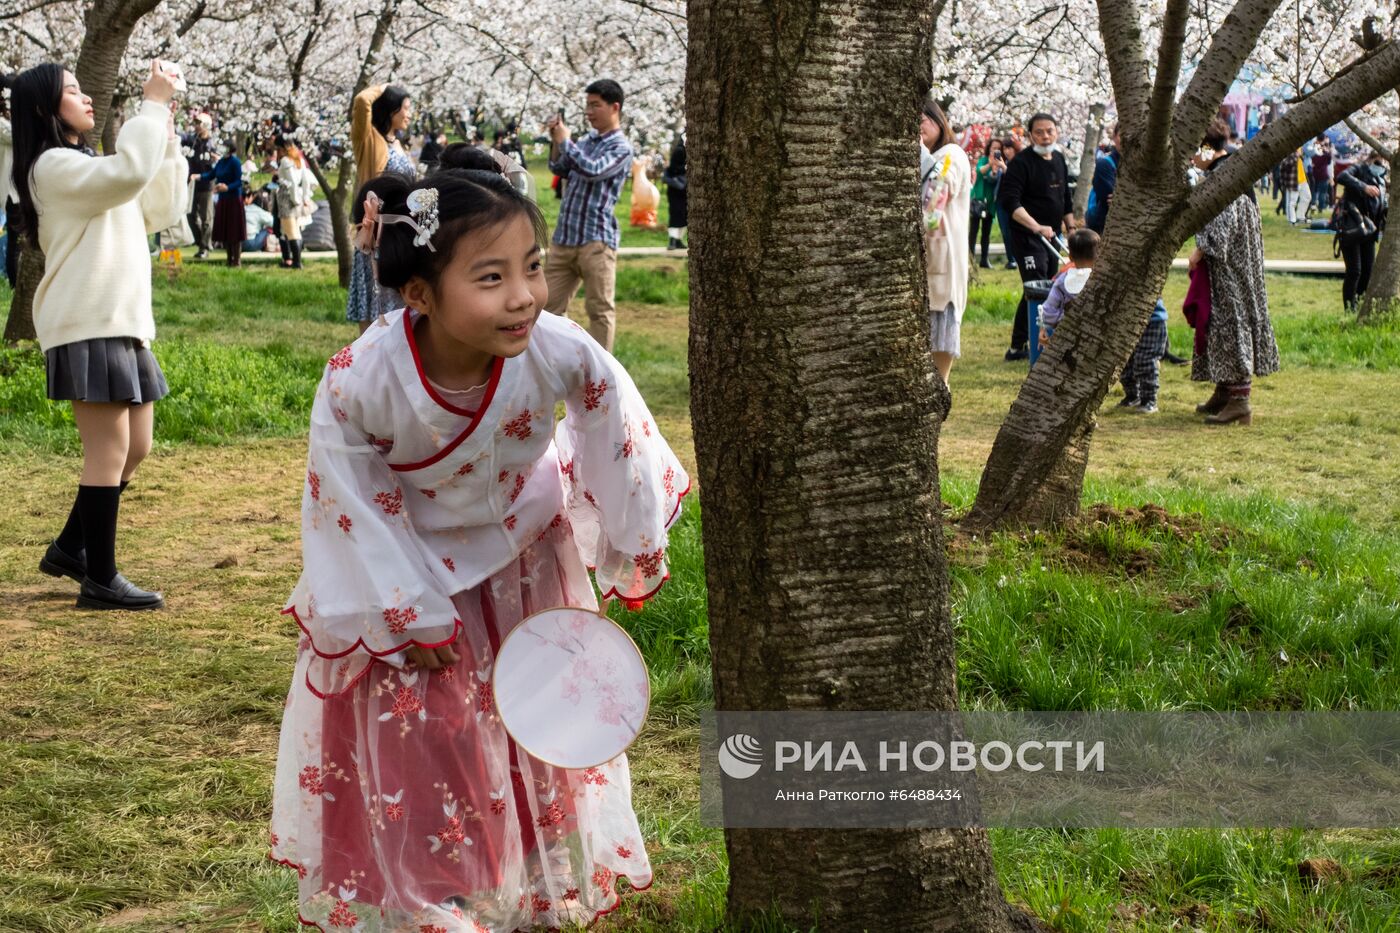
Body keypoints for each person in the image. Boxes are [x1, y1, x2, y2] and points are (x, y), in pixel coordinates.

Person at [268, 168, 688, 930]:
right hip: (413, 573)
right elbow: (349, 498)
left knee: (534, 721)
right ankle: (434, 899)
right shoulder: (361, 380)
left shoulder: (559, 349)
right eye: (491, 277)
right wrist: (408, 610)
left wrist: (629, 534)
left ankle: (525, 882)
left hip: (527, 561)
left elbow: (610, 420)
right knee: (425, 737)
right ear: (421, 294)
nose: (525, 294)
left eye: (532, 266)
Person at [7, 61, 185, 609]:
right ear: (43, 108)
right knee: (109, 451)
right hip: (87, 323)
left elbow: (157, 206)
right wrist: (151, 105)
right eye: (73, 91)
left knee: (137, 447)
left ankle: (69, 547)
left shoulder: (87, 166)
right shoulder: (51, 168)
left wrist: (167, 133)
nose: (86, 98)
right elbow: (129, 174)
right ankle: (100, 578)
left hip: (120, 321)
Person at [1185, 119, 1279, 426]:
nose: (1191, 159)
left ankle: (1239, 399)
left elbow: (1221, 230)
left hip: (1231, 267)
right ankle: (1225, 389)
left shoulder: (1224, 176)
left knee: (1231, 319)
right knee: (1221, 321)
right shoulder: (1230, 169)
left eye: (1194, 151)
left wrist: (1199, 250)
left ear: (1208, 149)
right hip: (1238, 262)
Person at [544, 80, 633, 352]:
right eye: (587, 105)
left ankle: (600, 376)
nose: (589, 112)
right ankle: (556, 361)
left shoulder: (621, 147)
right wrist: (556, 141)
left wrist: (567, 142)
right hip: (564, 239)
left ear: (614, 107)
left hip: (596, 240)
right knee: (546, 308)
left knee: (600, 310)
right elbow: (560, 167)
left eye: (596, 105)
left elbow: (594, 170)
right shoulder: (586, 142)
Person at [998, 111, 1075, 361]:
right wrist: (1035, 226)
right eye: (1039, 132)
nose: (1045, 136)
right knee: (1037, 287)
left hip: (1053, 236)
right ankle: (1032, 344)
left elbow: (1065, 199)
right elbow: (1010, 201)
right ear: (1030, 135)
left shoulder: (1059, 159)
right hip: (1028, 236)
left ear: (1057, 132)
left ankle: (1021, 343)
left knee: (1048, 286)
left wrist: (1071, 229)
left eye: (1049, 131)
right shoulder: (1021, 163)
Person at [346, 83, 414, 332]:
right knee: (374, 302)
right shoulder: (368, 140)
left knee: (396, 301)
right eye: (405, 108)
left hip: (398, 231)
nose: (409, 114)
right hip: (374, 231)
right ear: (391, 109)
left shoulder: (399, 143)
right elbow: (363, 100)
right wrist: (387, 86)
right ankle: (368, 359)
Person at [919, 98, 970, 385]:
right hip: (927, 268)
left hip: (941, 273)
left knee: (937, 376)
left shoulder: (951, 154)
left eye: (923, 117)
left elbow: (932, 210)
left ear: (939, 121)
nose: (918, 125)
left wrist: (921, 154)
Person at [1335, 151, 1388, 312]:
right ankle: (1349, 309)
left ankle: (1359, 306)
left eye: (1383, 162)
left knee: (1368, 271)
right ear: (1371, 159)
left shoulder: (1382, 179)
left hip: (1370, 230)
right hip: (1353, 227)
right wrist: (1363, 187)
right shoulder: (1358, 169)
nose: (1381, 166)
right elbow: (1341, 177)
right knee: (1354, 270)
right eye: (1378, 162)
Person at [1037, 228, 1097, 343]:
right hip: (1094, 335)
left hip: (1065, 334)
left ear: (1070, 258)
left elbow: (1049, 308)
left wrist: (1042, 330)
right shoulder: (1100, 279)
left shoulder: (1062, 280)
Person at [274, 137, 315, 269]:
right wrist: (305, 197)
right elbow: (305, 181)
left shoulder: (286, 161)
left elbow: (291, 183)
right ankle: (295, 260)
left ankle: (296, 262)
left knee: (291, 232)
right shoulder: (299, 160)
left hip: (287, 198)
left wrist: (295, 199)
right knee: (293, 230)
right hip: (297, 197)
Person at [202, 140, 244, 266]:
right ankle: (228, 258)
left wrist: (228, 187)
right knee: (226, 230)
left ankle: (236, 260)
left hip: (234, 199)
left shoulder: (235, 162)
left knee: (234, 231)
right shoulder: (221, 162)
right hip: (223, 199)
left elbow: (239, 181)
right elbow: (211, 174)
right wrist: (198, 176)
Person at [968, 137, 1003, 269]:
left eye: (998, 148)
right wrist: (990, 163)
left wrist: (996, 167)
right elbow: (979, 171)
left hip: (990, 202)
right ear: (989, 148)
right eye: (994, 148)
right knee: (973, 231)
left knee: (986, 232)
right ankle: (970, 259)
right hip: (978, 199)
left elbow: (996, 179)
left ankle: (984, 259)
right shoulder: (983, 160)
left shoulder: (1001, 163)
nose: (996, 150)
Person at [185, 112, 215, 258]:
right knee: (190, 215)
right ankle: (201, 242)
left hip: (206, 184)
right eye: (196, 123)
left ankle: (205, 247)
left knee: (206, 218)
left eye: (199, 123)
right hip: (192, 185)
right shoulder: (193, 141)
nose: (197, 126)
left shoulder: (212, 144)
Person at [993, 135, 1019, 270]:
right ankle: (1011, 259)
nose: (1007, 151)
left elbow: (1015, 178)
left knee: (1013, 231)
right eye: (1005, 148)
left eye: (1009, 148)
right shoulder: (1004, 162)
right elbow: (995, 180)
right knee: (1005, 231)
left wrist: (1003, 166)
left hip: (1014, 203)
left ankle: (1016, 258)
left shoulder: (1019, 163)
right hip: (1001, 202)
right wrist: (995, 169)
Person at [663, 128, 687, 250]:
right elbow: (675, 168)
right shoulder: (679, 150)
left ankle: (678, 240)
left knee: (684, 215)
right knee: (676, 215)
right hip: (677, 188)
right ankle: (672, 240)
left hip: (683, 189)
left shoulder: (683, 149)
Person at [241, 188, 273, 252]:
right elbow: (273, 223)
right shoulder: (258, 210)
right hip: (250, 244)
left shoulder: (241, 209)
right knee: (268, 229)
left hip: (236, 244)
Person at [1310, 134, 1333, 212]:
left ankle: (1313, 204)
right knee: (1323, 192)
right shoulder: (1325, 150)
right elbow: (1329, 161)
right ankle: (1321, 207)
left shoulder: (1313, 148)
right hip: (1323, 173)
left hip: (1314, 172)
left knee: (1314, 191)